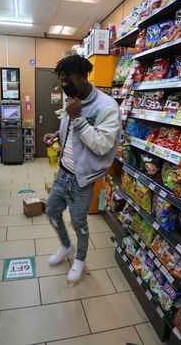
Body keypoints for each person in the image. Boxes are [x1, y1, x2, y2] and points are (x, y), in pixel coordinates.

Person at [43, 54, 121, 285]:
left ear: (85, 77)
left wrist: (77, 118)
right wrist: (57, 136)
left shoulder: (107, 107)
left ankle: (80, 259)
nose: (65, 85)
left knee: (79, 223)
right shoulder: (72, 99)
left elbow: (102, 145)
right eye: (62, 81)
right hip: (64, 172)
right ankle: (67, 246)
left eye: (70, 80)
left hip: (83, 179)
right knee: (52, 212)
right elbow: (72, 134)